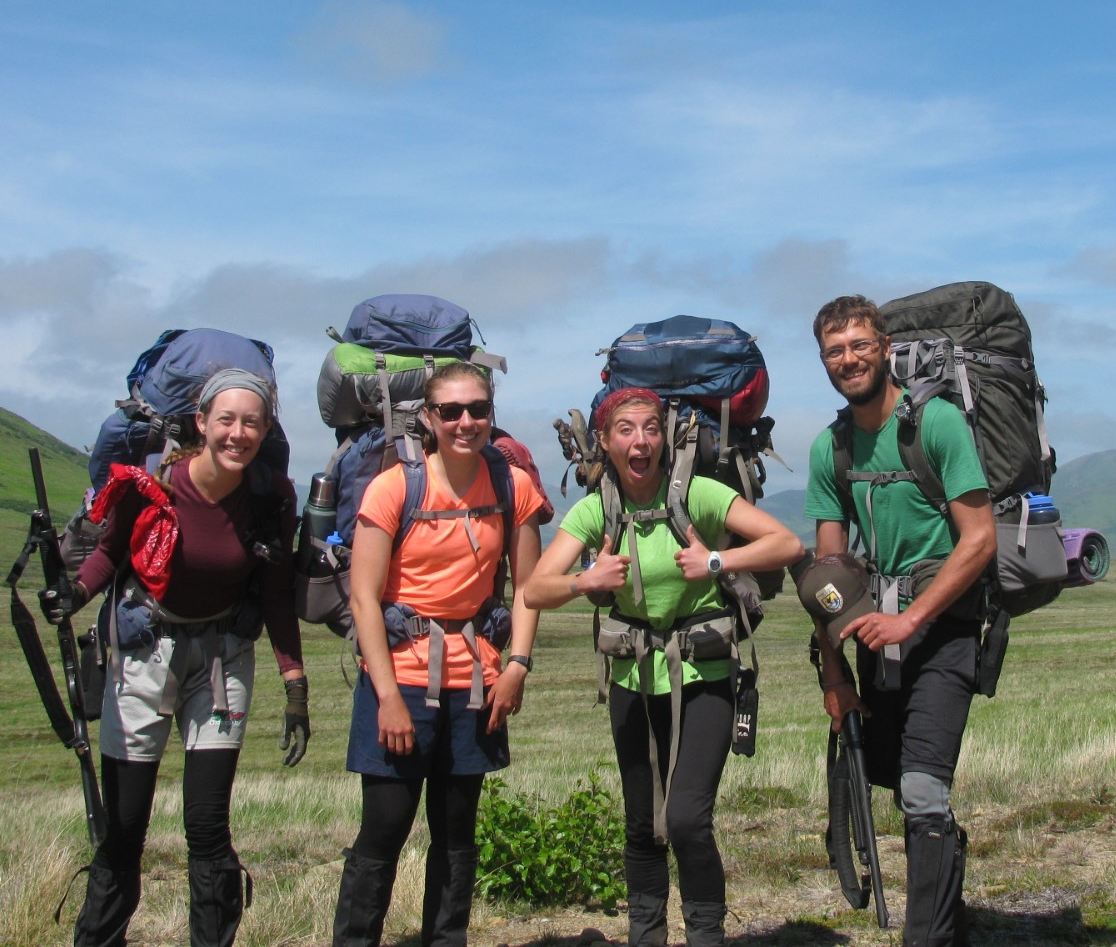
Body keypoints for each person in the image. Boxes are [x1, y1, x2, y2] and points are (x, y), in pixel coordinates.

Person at [525, 388, 804, 947]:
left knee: (685, 820)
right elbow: (534, 588)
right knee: (641, 823)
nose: (640, 441)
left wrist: (716, 560)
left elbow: (787, 542)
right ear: (604, 442)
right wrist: (586, 580)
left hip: (705, 677)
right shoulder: (595, 509)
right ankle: (645, 936)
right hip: (633, 678)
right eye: (625, 430)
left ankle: (705, 936)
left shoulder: (699, 494)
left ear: (666, 438)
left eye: (651, 428)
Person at [40, 367, 309, 947]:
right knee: (124, 826)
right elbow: (109, 554)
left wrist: (294, 683)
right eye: (227, 420)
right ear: (201, 422)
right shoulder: (152, 484)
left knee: (208, 828)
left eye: (252, 423)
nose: (238, 434)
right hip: (143, 655)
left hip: (223, 661)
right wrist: (75, 594)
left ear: (266, 430)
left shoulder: (271, 497)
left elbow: (276, 591)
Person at [803, 296, 997, 947]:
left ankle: (928, 939)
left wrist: (912, 619)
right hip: (876, 639)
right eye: (835, 350)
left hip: (942, 630)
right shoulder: (831, 448)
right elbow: (829, 579)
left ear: (885, 347)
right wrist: (834, 677)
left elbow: (978, 539)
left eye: (859, 345)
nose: (848, 359)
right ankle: (948, 916)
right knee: (904, 789)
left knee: (921, 791)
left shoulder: (935, 424)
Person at [333, 360, 544, 947]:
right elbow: (364, 597)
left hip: (476, 679)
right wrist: (385, 698)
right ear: (427, 418)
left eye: (477, 409)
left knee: (457, 836)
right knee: (383, 830)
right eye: (450, 411)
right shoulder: (395, 486)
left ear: (491, 413)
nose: (465, 421)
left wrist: (518, 666)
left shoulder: (512, 485)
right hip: (400, 678)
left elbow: (529, 588)